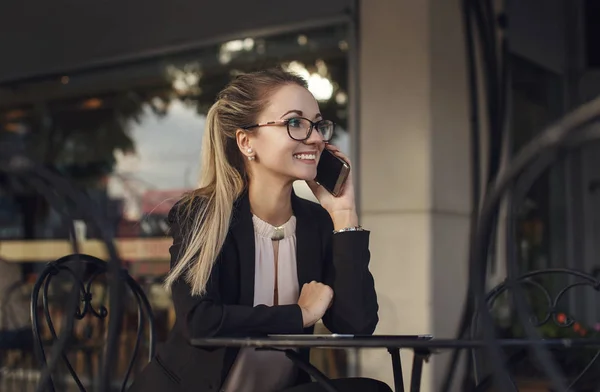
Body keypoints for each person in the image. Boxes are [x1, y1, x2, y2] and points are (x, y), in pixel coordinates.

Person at [130, 68, 389, 392]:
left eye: (318, 125)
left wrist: (344, 214)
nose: (316, 138)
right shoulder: (203, 215)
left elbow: (357, 325)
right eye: (295, 123)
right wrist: (300, 314)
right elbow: (200, 322)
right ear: (246, 141)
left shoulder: (316, 222)